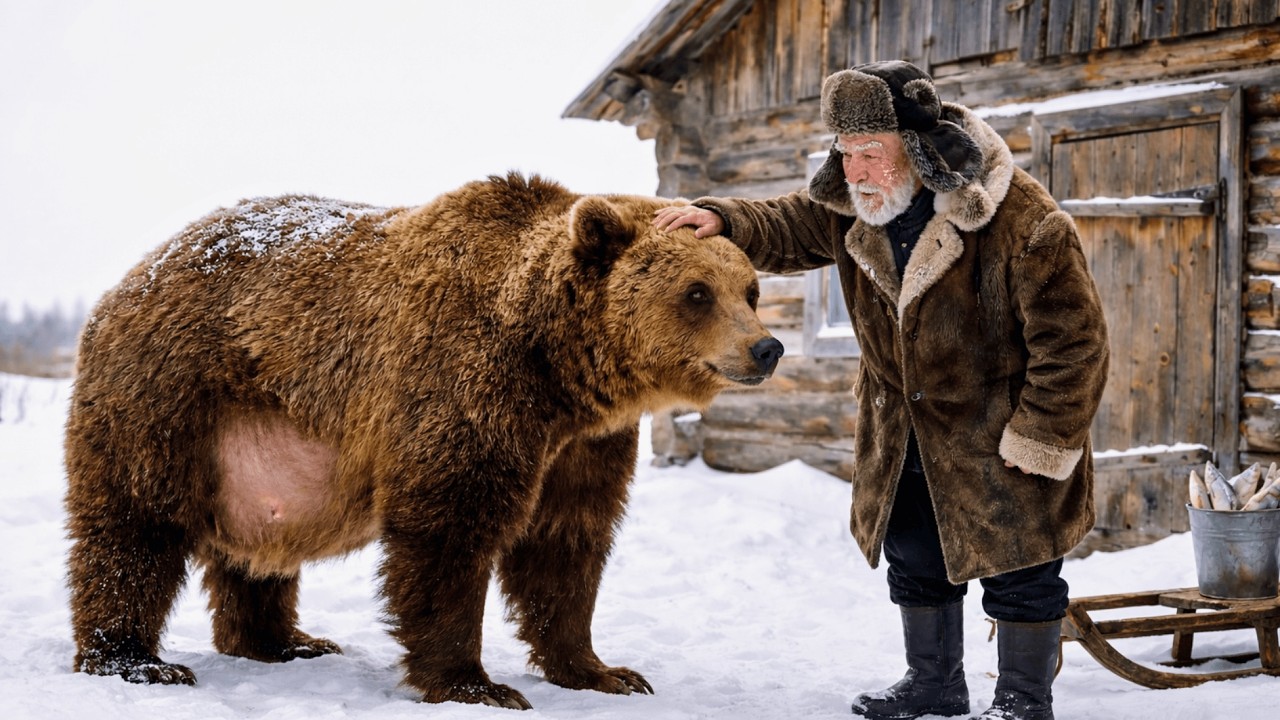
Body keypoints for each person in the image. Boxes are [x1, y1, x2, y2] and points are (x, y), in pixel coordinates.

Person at [653, 60, 1109, 720]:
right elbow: (785, 222)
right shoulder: (852, 206)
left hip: (999, 432)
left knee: (1021, 570)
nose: (855, 170)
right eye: (845, 152)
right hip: (902, 430)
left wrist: (1039, 437)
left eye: (871, 152)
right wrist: (721, 219)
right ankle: (935, 684)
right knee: (915, 558)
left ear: (918, 147)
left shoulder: (1020, 219)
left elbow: (1075, 346)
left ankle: (1022, 702)